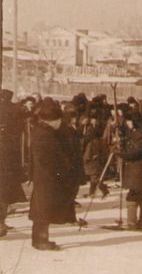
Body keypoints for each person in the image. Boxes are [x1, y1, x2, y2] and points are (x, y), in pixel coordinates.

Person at [28, 99, 81, 250]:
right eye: (57, 121)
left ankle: (39, 240)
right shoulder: (45, 135)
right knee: (43, 211)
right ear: (50, 121)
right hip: (47, 178)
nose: (60, 123)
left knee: (42, 210)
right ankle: (41, 241)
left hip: (44, 177)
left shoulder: (43, 131)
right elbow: (54, 158)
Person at [120, 110, 142, 230]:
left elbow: (137, 151)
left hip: (138, 168)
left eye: (129, 121)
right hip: (140, 168)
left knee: (134, 194)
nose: (127, 123)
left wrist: (121, 153)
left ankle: (132, 222)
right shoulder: (136, 132)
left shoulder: (140, 133)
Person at [0, 90, 26, 236]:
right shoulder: (13, 110)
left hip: (6, 155)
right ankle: (1, 222)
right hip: (7, 157)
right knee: (3, 192)